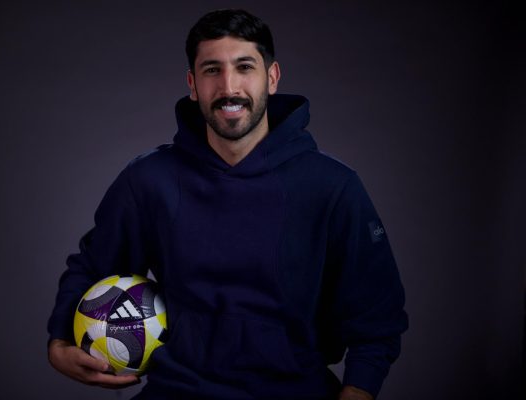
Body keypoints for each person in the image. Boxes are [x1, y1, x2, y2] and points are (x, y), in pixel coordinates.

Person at [47, 9, 408, 400]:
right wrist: (59, 342)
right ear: (193, 84)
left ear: (272, 78)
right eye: (212, 70)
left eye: (244, 67)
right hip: (176, 392)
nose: (229, 86)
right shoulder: (150, 180)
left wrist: (359, 390)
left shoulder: (332, 186)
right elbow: (93, 265)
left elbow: (378, 320)